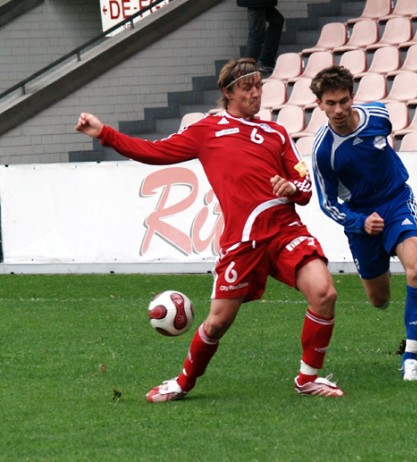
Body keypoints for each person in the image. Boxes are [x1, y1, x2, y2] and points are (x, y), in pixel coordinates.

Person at [75, 58, 344, 401]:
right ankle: (183, 382)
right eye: (247, 87)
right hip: (243, 241)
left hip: (285, 230)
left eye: (259, 86)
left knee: (325, 294)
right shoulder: (208, 130)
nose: (255, 93)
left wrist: (291, 188)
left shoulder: (276, 134)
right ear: (228, 92)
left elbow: (305, 187)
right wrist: (106, 134)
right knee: (217, 323)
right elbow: (154, 152)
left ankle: (308, 379)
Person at [309, 65, 417, 381]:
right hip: (361, 218)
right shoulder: (324, 151)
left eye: (343, 101)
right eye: (330, 103)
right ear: (319, 104)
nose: (338, 110)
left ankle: (410, 358)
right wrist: (359, 222)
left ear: (353, 98)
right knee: (380, 301)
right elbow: (327, 203)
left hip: (396, 202)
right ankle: (382, 254)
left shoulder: (378, 116)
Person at [236, 0, 284, 73]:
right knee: (256, 34)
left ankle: (267, 62)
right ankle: (247, 71)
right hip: (256, 2)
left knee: (277, 21)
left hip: (260, 2)